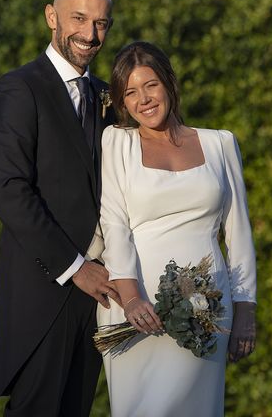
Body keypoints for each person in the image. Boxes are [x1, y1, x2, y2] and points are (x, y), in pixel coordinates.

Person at [96, 41, 257, 416]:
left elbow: (239, 233)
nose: (144, 100)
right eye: (131, 93)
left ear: (168, 83)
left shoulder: (221, 144)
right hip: (138, 310)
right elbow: (114, 222)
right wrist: (132, 298)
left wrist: (245, 308)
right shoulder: (117, 142)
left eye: (150, 85)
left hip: (208, 310)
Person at [0, 0, 121, 416]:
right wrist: (76, 268)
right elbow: (9, 191)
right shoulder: (19, 88)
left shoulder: (109, 98)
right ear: (51, 16)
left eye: (101, 23)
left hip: (98, 298)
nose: (89, 34)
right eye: (79, 18)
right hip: (44, 292)